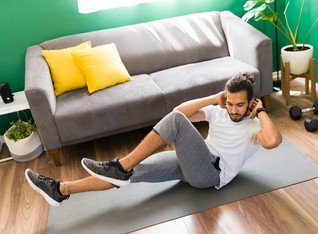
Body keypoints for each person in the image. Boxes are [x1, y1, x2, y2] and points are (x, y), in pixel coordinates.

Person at [25, 72, 282, 207]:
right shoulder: (219, 110)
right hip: (192, 161)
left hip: (210, 174)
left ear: (250, 102)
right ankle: (61, 190)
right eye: (230, 103)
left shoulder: (254, 125)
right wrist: (213, 100)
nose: (234, 110)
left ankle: (119, 166)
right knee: (131, 174)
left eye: (240, 105)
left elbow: (272, 142)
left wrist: (260, 111)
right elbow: (180, 112)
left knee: (173, 126)